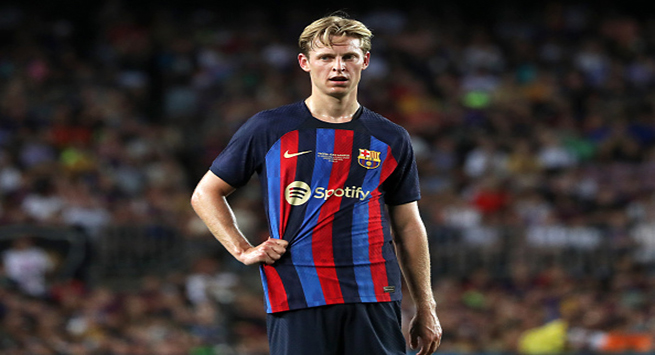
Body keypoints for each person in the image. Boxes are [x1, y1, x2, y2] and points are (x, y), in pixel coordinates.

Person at [191, 13, 442, 355]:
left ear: (364, 61)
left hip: (374, 293)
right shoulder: (269, 127)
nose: (338, 66)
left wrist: (426, 307)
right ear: (305, 63)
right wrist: (242, 249)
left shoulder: (391, 137)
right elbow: (206, 192)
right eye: (326, 57)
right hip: (297, 293)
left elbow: (409, 224)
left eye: (348, 56)